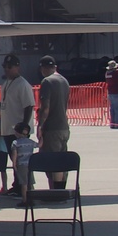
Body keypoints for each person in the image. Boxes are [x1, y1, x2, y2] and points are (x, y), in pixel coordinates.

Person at [0, 56, 34, 195]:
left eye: (10, 67)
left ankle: (26, 186)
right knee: (14, 160)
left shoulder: (22, 84)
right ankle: (17, 185)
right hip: (7, 128)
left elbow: (29, 106)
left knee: (22, 161)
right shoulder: (6, 83)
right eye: (5, 66)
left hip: (18, 130)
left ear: (17, 67)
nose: (7, 69)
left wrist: (24, 127)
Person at [35, 56, 72, 187]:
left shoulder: (47, 82)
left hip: (52, 128)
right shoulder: (64, 81)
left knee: (52, 161)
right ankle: (61, 189)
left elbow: (45, 108)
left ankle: (55, 192)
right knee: (61, 160)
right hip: (64, 126)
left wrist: (40, 126)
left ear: (43, 68)